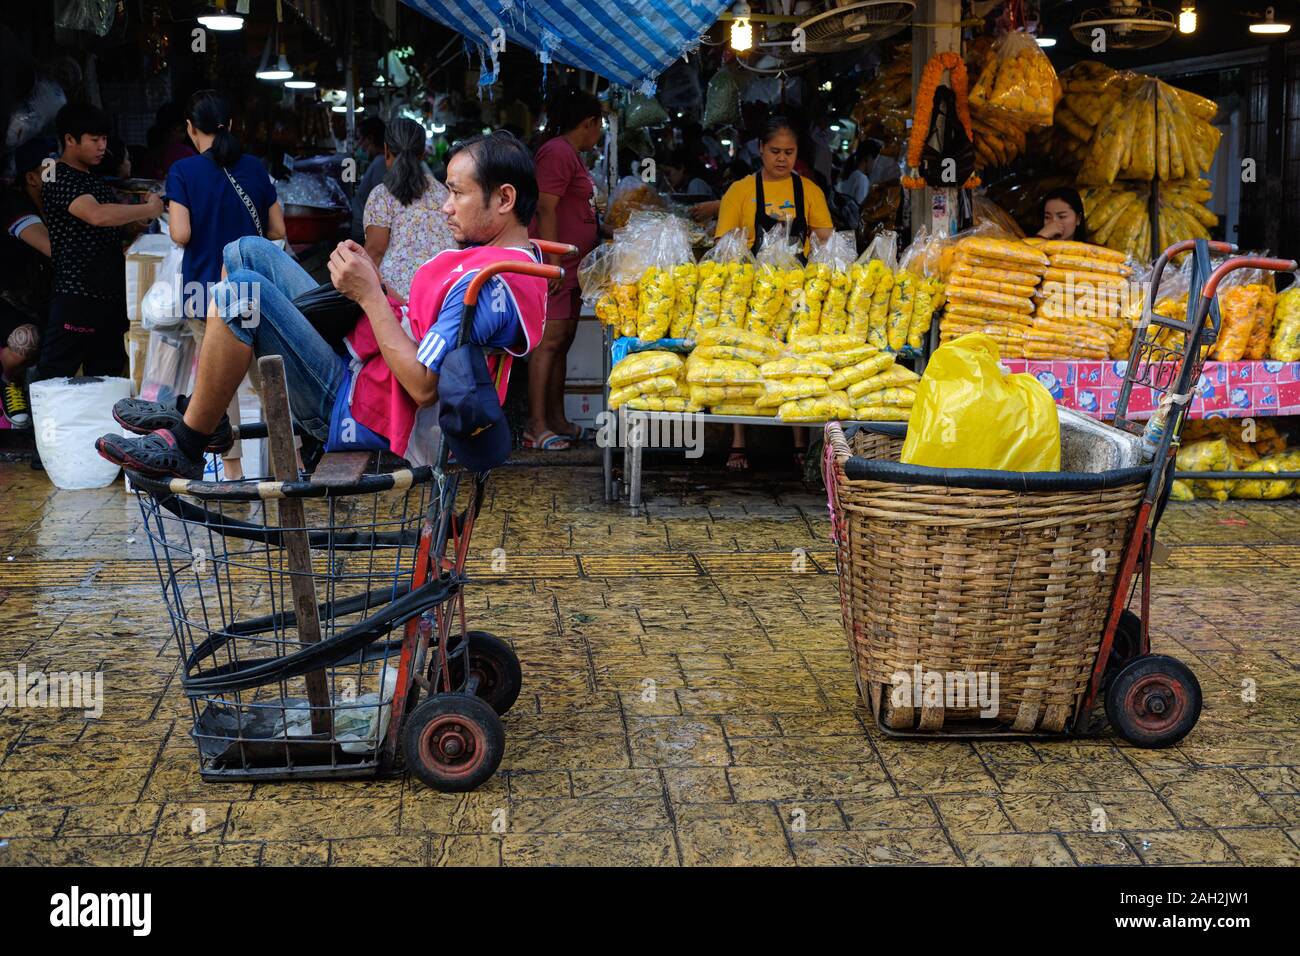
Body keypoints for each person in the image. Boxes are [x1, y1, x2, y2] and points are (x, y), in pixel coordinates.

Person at [97, 131, 548, 480]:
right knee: (246, 251)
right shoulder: (494, 258)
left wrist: (369, 293)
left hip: (356, 403)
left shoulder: (489, 286)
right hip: (361, 362)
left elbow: (423, 386)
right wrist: (367, 290)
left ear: (504, 199)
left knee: (240, 296)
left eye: (458, 193)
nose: (446, 207)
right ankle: (206, 415)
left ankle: (189, 445)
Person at [166, 90, 285, 480]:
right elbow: (277, 231)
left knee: (220, 384)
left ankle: (233, 473)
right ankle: (291, 465)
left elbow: (181, 234)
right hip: (252, 288)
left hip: (205, 291)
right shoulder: (255, 168)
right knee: (269, 378)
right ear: (229, 125)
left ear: (190, 128)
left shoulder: (182, 172)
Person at [714, 115, 834, 472]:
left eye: (790, 152)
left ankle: (799, 442)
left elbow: (826, 238)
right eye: (775, 151)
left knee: (793, 358)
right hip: (752, 289)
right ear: (761, 150)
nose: (782, 159)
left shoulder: (808, 191)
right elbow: (724, 243)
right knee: (745, 360)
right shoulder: (741, 191)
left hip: (797, 291)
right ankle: (739, 442)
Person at [39, 103, 163, 380]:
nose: (101, 147)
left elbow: (114, 227)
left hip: (111, 297)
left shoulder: (94, 181)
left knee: (107, 378)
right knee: (53, 377)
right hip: (77, 294)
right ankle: (39, 425)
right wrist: (148, 210)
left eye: (104, 139)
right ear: (70, 140)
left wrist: (139, 221)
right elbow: (96, 215)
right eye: (94, 140)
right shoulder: (56, 175)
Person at [525, 87, 602, 451]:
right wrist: (553, 263)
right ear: (589, 122)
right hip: (555, 265)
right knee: (548, 343)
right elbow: (545, 208)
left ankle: (557, 419)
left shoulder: (571, 154)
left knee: (563, 341)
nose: (598, 132)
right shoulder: (557, 152)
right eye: (598, 125)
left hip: (572, 266)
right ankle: (536, 426)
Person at [362, 117, 455, 299]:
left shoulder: (382, 195)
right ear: (422, 155)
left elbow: (375, 251)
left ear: (386, 150)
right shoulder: (444, 193)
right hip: (442, 294)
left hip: (396, 300)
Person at [0, 137, 56, 427]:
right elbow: (52, 248)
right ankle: (9, 380)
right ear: (31, 177)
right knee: (27, 340)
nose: (57, 174)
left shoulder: (52, 203)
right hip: (8, 301)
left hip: (37, 298)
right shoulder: (14, 205)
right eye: (50, 169)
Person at [350, 116, 387, 242]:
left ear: (370, 138)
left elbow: (382, 204)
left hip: (366, 236)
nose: (358, 145)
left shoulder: (380, 163)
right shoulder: (378, 162)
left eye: (359, 139)